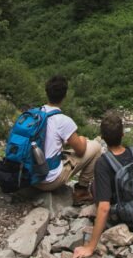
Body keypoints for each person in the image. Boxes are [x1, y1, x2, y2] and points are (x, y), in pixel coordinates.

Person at [70, 111, 133, 258]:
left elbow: (104, 207)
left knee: (95, 186)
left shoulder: (103, 163)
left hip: (131, 221)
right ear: (123, 134)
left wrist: (91, 246)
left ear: (103, 138)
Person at [34, 75, 101, 203]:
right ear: (65, 95)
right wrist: (81, 138)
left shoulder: (35, 114)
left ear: (46, 93)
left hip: (30, 177)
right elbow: (81, 151)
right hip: (48, 181)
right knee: (96, 147)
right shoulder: (63, 121)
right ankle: (81, 191)